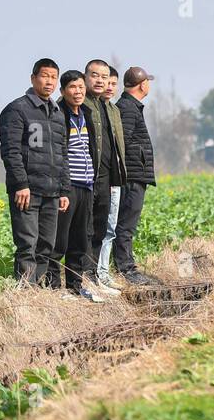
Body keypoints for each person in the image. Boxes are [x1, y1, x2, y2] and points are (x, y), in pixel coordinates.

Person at [0, 59, 70, 286]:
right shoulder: (17, 110)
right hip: (28, 191)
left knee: (46, 246)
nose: (49, 81)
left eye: (53, 77)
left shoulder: (57, 114)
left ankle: (38, 292)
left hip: (52, 192)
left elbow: (62, 154)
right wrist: (21, 184)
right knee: (27, 244)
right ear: (33, 78)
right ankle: (25, 295)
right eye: (44, 76)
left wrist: (64, 189)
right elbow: (11, 151)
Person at [51, 71, 104, 302]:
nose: (78, 91)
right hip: (69, 185)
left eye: (81, 87)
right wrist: (62, 189)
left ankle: (75, 286)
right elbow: (59, 155)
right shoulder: (58, 115)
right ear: (63, 91)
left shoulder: (86, 114)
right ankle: (53, 286)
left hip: (86, 184)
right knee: (60, 240)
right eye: (73, 87)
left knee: (80, 240)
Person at [114, 66, 160, 285]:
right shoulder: (128, 109)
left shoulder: (129, 106)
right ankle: (126, 269)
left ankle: (126, 265)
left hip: (134, 174)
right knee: (125, 224)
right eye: (148, 81)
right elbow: (121, 144)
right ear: (143, 85)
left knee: (126, 223)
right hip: (131, 176)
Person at [91, 65, 128, 290]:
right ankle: (93, 274)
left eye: (112, 82)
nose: (108, 86)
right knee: (96, 228)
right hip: (95, 179)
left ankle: (102, 273)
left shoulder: (113, 110)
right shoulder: (90, 107)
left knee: (110, 227)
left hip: (114, 177)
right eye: (105, 80)